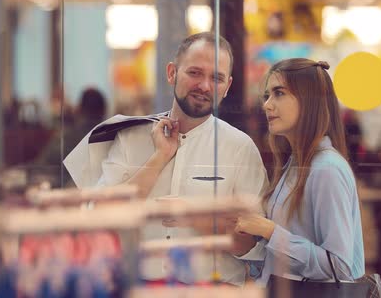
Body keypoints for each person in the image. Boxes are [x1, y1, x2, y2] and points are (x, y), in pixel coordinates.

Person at [64, 32, 268, 285]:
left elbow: (254, 249)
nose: (204, 85)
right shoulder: (130, 138)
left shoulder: (240, 148)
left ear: (226, 87)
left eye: (216, 78)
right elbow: (99, 219)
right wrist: (160, 156)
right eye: (194, 73)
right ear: (172, 73)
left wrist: (196, 216)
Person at [233, 58, 365, 285]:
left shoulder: (327, 169)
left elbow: (340, 267)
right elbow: (282, 261)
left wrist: (271, 232)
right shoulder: (296, 165)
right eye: (267, 96)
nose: (267, 105)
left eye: (279, 93)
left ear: (308, 100)